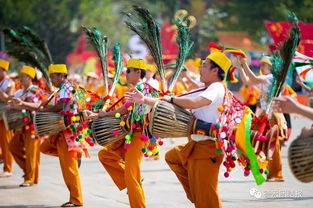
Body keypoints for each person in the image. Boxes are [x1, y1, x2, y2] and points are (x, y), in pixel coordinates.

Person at [125, 51, 232, 208]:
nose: (200, 69)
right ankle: (196, 193)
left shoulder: (216, 87)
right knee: (173, 157)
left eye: (204, 66)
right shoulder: (205, 88)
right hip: (195, 146)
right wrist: (145, 100)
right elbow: (169, 102)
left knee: (208, 198)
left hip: (208, 148)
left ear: (215, 71)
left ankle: (199, 194)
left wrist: (173, 99)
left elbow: (195, 102)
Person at [86, 59, 153, 208]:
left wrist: (101, 115)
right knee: (105, 155)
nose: (126, 74)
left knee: (131, 174)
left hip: (139, 135)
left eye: (128, 71)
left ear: (138, 72)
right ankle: (132, 180)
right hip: (127, 133)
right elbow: (123, 111)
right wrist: (98, 115)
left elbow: (125, 110)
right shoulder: (134, 90)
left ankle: (135, 191)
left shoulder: (144, 88)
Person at [39, 64, 84, 207]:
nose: (51, 80)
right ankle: (76, 155)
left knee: (69, 169)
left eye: (53, 77)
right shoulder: (61, 89)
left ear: (61, 76)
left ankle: (76, 200)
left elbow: (62, 105)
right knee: (45, 148)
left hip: (67, 131)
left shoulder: (67, 88)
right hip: (61, 130)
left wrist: (46, 110)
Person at [237, 55, 287, 182]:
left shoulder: (271, 78)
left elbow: (253, 78)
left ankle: (276, 174)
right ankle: (270, 172)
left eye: (264, 65)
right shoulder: (266, 79)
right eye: (262, 65)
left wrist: (244, 64)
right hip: (266, 115)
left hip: (273, 115)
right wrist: (240, 66)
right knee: (265, 143)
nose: (261, 67)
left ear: (271, 67)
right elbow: (248, 82)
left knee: (273, 144)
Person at [8, 66, 45, 187]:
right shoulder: (19, 92)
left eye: (22, 77)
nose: (20, 79)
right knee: (13, 146)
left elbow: (38, 105)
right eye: (20, 77)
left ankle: (30, 178)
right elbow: (14, 104)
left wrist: (22, 104)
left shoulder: (36, 90)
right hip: (21, 125)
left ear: (29, 77)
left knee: (31, 153)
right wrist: (11, 105)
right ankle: (28, 171)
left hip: (33, 125)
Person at [0, 59, 15, 178]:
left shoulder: (9, 82)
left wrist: (2, 95)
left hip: (4, 116)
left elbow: (8, 98)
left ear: (3, 70)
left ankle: (8, 168)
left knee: (6, 143)